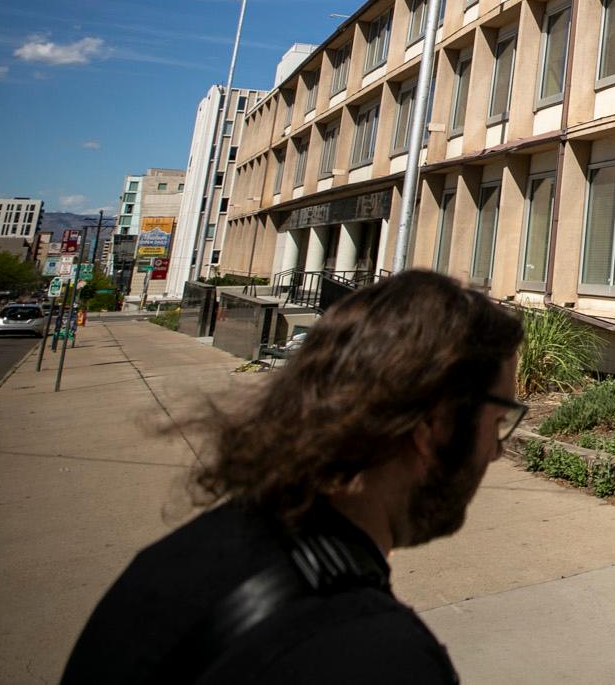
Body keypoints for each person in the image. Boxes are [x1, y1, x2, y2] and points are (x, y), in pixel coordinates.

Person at [64, 270, 524, 683]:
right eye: (498, 420)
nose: (498, 450)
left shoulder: (179, 560)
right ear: (433, 425)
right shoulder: (372, 656)